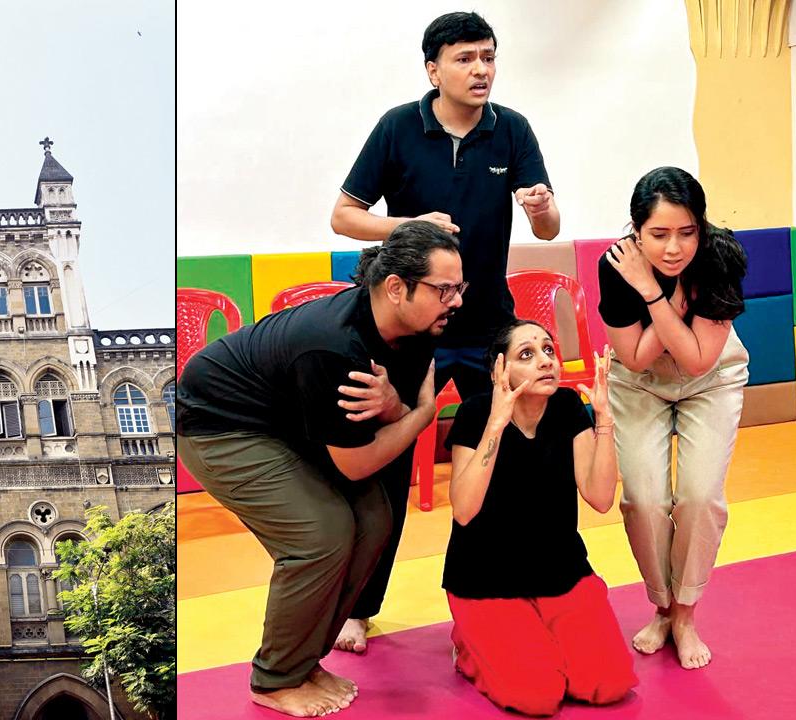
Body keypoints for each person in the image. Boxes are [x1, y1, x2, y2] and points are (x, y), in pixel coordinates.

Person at [329, 10, 561, 652]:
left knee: (505, 459)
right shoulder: (399, 127)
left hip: (489, 325)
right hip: (414, 333)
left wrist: (543, 211)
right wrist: (406, 225)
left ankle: (506, 590)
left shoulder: (512, 130)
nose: (481, 69)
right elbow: (343, 216)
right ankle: (359, 606)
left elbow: (547, 229)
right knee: (390, 472)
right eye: (465, 58)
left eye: (488, 56)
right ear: (433, 69)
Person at [176, 221, 460, 717]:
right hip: (218, 425)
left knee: (375, 516)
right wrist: (419, 415)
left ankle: (304, 661)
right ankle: (275, 679)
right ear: (396, 288)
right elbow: (357, 463)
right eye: (444, 289)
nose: (455, 300)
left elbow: (388, 415)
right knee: (319, 533)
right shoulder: (334, 346)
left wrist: (401, 409)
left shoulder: (417, 327)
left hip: (285, 422)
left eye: (460, 288)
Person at [443, 320, 637, 716]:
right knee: (537, 695)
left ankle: (539, 631)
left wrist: (604, 417)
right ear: (500, 370)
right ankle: (468, 646)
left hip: (560, 571)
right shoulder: (476, 411)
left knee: (609, 683)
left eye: (548, 350)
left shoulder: (567, 407)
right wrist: (498, 420)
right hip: (486, 579)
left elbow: (600, 498)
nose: (545, 361)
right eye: (526, 355)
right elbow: (464, 509)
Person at [599, 166, 748, 670]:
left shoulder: (720, 258)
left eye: (687, 233)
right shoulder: (616, 266)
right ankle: (661, 606)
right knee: (643, 497)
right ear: (635, 231)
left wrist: (664, 295)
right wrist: (661, 293)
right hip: (639, 381)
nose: (673, 248)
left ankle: (685, 613)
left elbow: (698, 359)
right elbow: (637, 358)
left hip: (711, 377)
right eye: (658, 234)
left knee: (700, 496)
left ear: (701, 227)